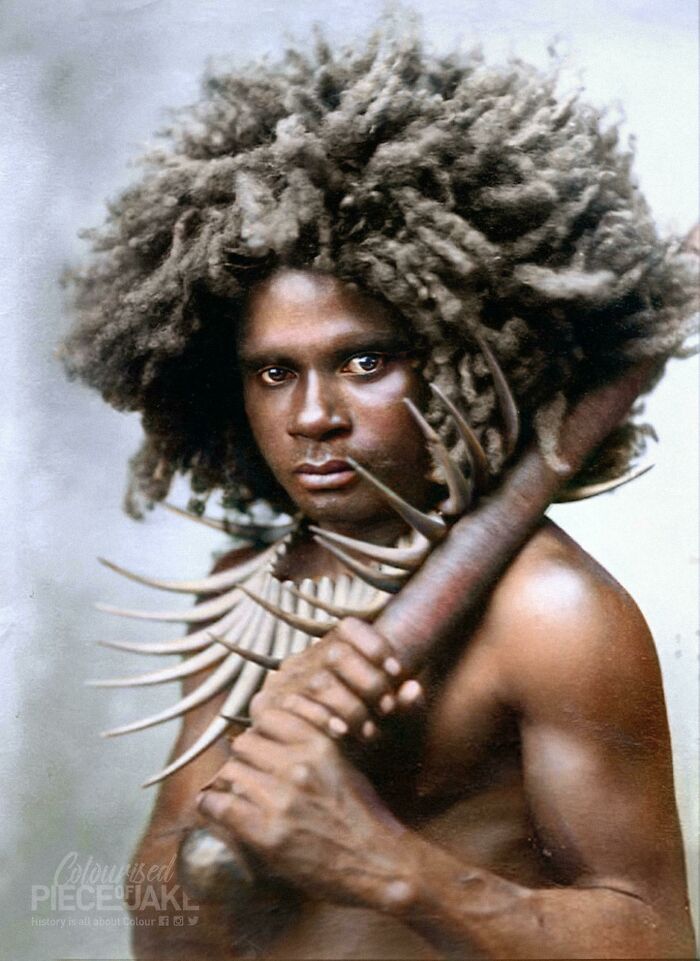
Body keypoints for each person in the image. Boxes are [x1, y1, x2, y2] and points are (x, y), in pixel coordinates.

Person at [61, 25, 697, 960]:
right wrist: (254, 761)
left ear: (467, 359)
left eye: (365, 360)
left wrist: (386, 864)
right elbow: (165, 937)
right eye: (274, 373)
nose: (312, 415)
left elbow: (659, 940)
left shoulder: (553, 615)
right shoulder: (239, 587)